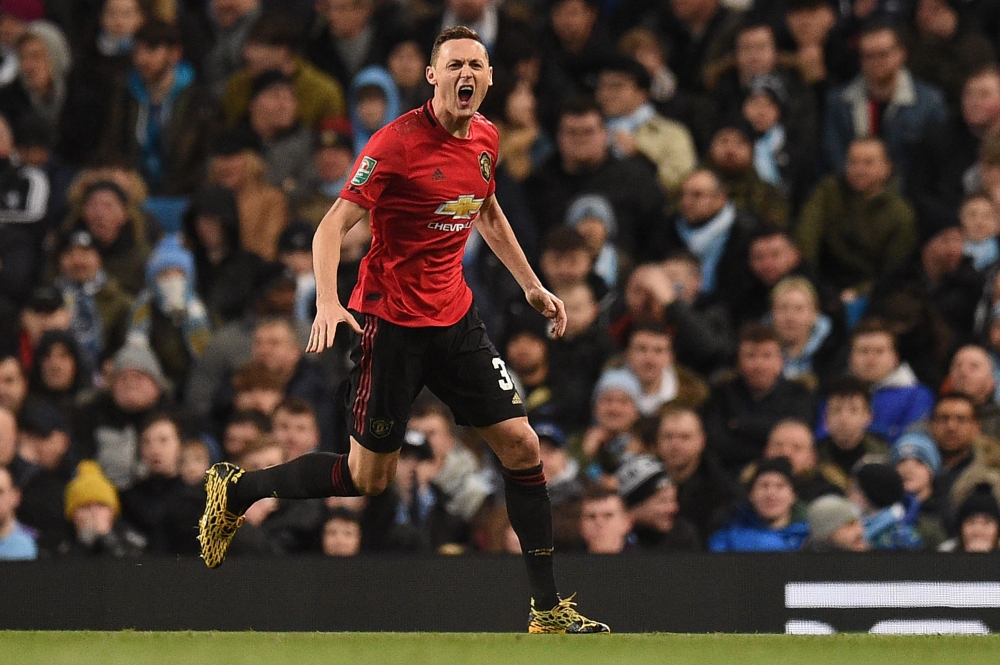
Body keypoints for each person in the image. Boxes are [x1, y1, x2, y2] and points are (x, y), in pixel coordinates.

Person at [198, 27, 608, 634]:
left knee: (523, 445)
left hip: (456, 319)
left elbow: (487, 209)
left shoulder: (488, 139)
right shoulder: (394, 145)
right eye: (454, 65)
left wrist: (530, 284)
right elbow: (330, 228)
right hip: (390, 326)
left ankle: (546, 610)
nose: (466, 74)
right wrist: (330, 303)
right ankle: (238, 491)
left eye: (476, 64)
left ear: (489, 78)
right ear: (433, 77)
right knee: (370, 478)